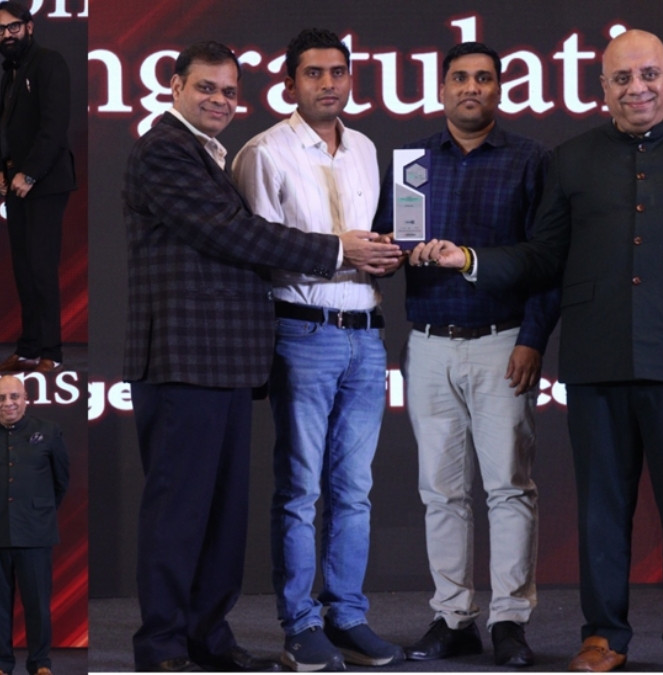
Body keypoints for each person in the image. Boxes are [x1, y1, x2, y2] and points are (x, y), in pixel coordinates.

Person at [411, 29, 663, 674]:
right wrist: (470, 259)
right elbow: (542, 257)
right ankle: (604, 636)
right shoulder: (572, 158)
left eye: (649, 75)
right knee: (602, 509)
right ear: (603, 88)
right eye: (623, 78)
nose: (638, 88)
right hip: (597, 357)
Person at [122, 40, 399, 672]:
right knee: (179, 512)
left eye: (228, 91)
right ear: (174, 87)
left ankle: (208, 638)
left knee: (221, 513)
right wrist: (338, 251)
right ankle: (162, 647)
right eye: (206, 88)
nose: (219, 100)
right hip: (181, 356)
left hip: (224, 358)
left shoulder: (208, 153)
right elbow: (233, 234)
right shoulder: (163, 149)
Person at [371, 42, 559, 668]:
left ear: (499, 89)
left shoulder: (531, 160)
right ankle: (452, 617)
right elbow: (387, 243)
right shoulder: (412, 161)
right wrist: (397, 252)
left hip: (503, 341)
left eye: (483, 78)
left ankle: (509, 620)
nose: (471, 87)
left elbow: (548, 260)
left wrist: (533, 339)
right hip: (427, 343)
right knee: (441, 492)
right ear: (442, 89)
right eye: (460, 78)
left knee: (509, 487)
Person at [231, 28, 402, 672]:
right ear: (289, 84)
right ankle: (300, 625)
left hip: (367, 334)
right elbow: (255, 248)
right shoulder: (263, 152)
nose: (328, 83)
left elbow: (364, 239)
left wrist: (381, 256)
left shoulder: (365, 148)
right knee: (301, 488)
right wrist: (339, 253)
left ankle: (347, 617)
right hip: (302, 333)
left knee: (354, 489)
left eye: (338, 72)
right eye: (313, 73)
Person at [0, 0, 76, 374]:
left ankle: (52, 351)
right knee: (23, 269)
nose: (6, 34)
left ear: (29, 26)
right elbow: (6, 129)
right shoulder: (10, 72)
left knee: (41, 268)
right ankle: (28, 350)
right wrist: (2, 169)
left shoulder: (49, 63)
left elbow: (54, 127)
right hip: (17, 184)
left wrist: (30, 173)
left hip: (45, 183)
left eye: (13, 27)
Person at [0, 375, 70, 675]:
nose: (8, 403)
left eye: (14, 397)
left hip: (35, 532)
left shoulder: (49, 431)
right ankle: (1, 663)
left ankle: (40, 663)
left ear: (25, 399)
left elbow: (61, 481)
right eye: (1, 398)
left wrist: (37, 512)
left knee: (37, 604)